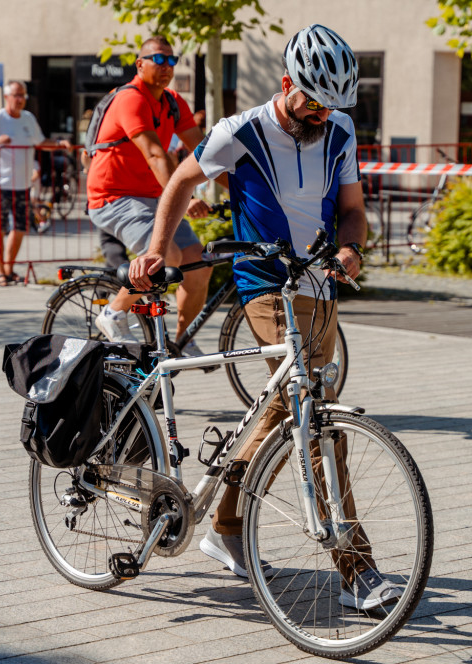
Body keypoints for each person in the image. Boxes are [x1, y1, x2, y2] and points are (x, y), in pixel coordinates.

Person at [128, 25, 387, 609]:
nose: (321, 114)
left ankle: (223, 529)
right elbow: (178, 183)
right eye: (312, 101)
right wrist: (153, 249)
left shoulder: (339, 130)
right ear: (287, 84)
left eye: (332, 105)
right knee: (313, 416)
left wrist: (352, 249)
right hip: (264, 284)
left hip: (320, 285)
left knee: (279, 413)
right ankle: (355, 566)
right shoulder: (240, 132)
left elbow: (352, 212)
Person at [86, 35, 212, 349]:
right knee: (166, 256)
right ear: (139, 64)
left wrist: (243, 191)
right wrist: (189, 196)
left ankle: (181, 341)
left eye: (172, 59)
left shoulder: (172, 102)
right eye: (158, 59)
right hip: (114, 197)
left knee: (198, 262)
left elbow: (206, 154)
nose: (166, 66)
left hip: (155, 198)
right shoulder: (130, 99)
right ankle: (114, 313)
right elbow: (155, 154)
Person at [0, 81, 69, 285]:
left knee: (20, 229)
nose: (20, 99)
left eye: (23, 95)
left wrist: (59, 144)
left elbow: (40, 142)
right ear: (7, 97)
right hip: (0, 184)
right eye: (16, 95)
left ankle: (9, 268)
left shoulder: (28, 118)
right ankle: (0, 271)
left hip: (23, 185)